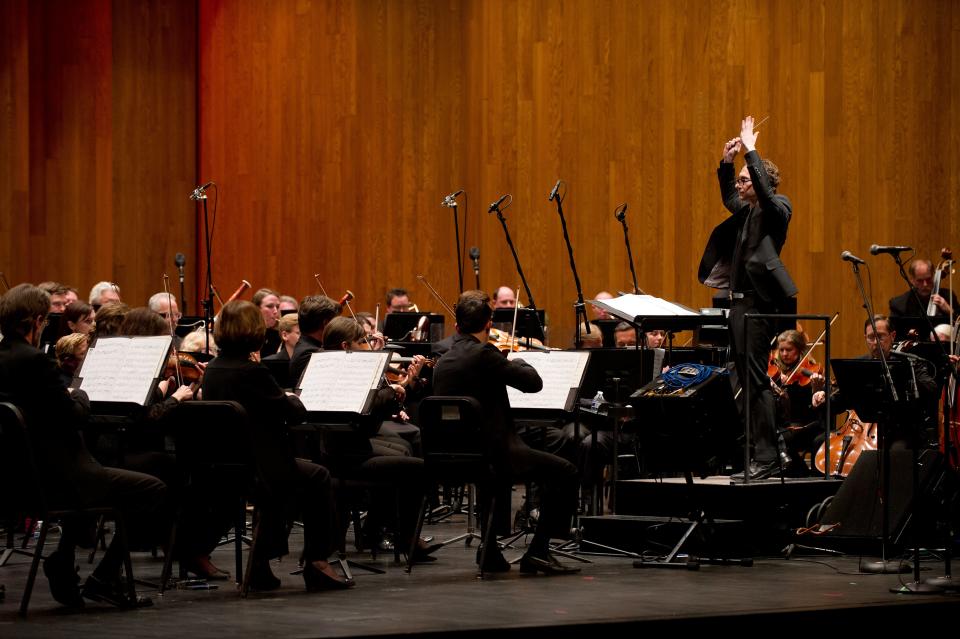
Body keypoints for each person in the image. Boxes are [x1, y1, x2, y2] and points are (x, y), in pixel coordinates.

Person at [0, 284, 164, 609]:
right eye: (45, 320)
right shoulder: (35, 362)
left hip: (18, 480)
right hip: (58, 480)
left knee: (99, 476)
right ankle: (104, 578)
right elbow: (73, 416)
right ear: (34, 320)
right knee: (153, 489)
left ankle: (63, 561)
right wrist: (79, 392)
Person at [202, 300, 352, 591]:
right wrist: (292, 398)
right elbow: (293, 412)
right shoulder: (251, 372)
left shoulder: (214, 369)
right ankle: (317, 561)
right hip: (258, 467)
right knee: (317, 476)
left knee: (293, 477)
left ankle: (261, 563)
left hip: (225, 464)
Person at [432, 290, 580, 575]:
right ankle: (539, 551)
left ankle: (490, 552)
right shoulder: (485, 354)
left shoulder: (445, 359)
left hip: (457, 454)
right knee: (566, 472)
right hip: (494, 453)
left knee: (500, 474)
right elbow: (532, 383)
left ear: (457, 326)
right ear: (489, 325)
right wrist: (518, 360)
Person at [698, 116, 797, 481]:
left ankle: (768, 457)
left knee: (756, 381)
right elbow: (728, 197)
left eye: (744, 179)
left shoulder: (777, 209)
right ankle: (755, 454)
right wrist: (726, 162)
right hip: (738, 304)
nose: (739, 185)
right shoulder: (747, 210)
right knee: (742, 381)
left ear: (760, 182)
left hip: (759, 305)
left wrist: (751, 148)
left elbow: (768, 198)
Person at [812, 316, 938, 445]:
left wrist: (902, 378)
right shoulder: (858, 365)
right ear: (865, 338)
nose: (876, 342)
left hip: (902, 431)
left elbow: (931, 388)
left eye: (880, 336)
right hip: (864, 431)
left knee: (895, 452)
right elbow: (840, 401)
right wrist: (821, 398)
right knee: (819, 442)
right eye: (871, 337)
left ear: (893, 336)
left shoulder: (909, 362)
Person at [888, 259, 960, 331]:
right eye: (920, 280)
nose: (925, 284)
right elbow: (894, 334)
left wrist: (949, 310)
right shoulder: (899, 304)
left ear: (933, 276)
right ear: (912, 280)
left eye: (928, 279)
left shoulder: (948, 296)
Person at [253, 288, 283, 359]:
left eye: (277, 307)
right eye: (270, 306)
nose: (276, 311)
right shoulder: (245, 335)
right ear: (256, 308)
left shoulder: (280, 335)